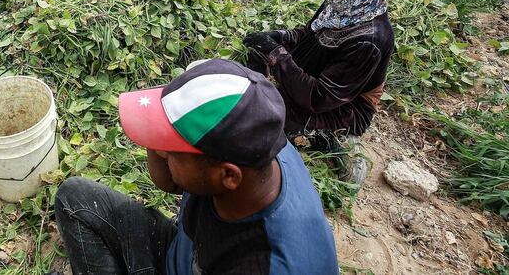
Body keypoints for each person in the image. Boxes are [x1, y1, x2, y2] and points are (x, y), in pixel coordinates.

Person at [55, 59, 339, 275]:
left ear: (227, 175)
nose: (161, 153)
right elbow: (171, 182)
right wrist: (157, 130)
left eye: (172, 151)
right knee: (75, 197)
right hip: (183, 251)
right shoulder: (256, 147)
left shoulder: (271, 263)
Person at [244, 0, 395, 185]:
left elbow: (319, 98)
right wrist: (278, 37)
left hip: (339, 108)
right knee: (253, 60)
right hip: (311, 76)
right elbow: (308, 33)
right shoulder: (344, 3)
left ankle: (341, 144)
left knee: (265, 125)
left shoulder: (370, 41)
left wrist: (277, 55)